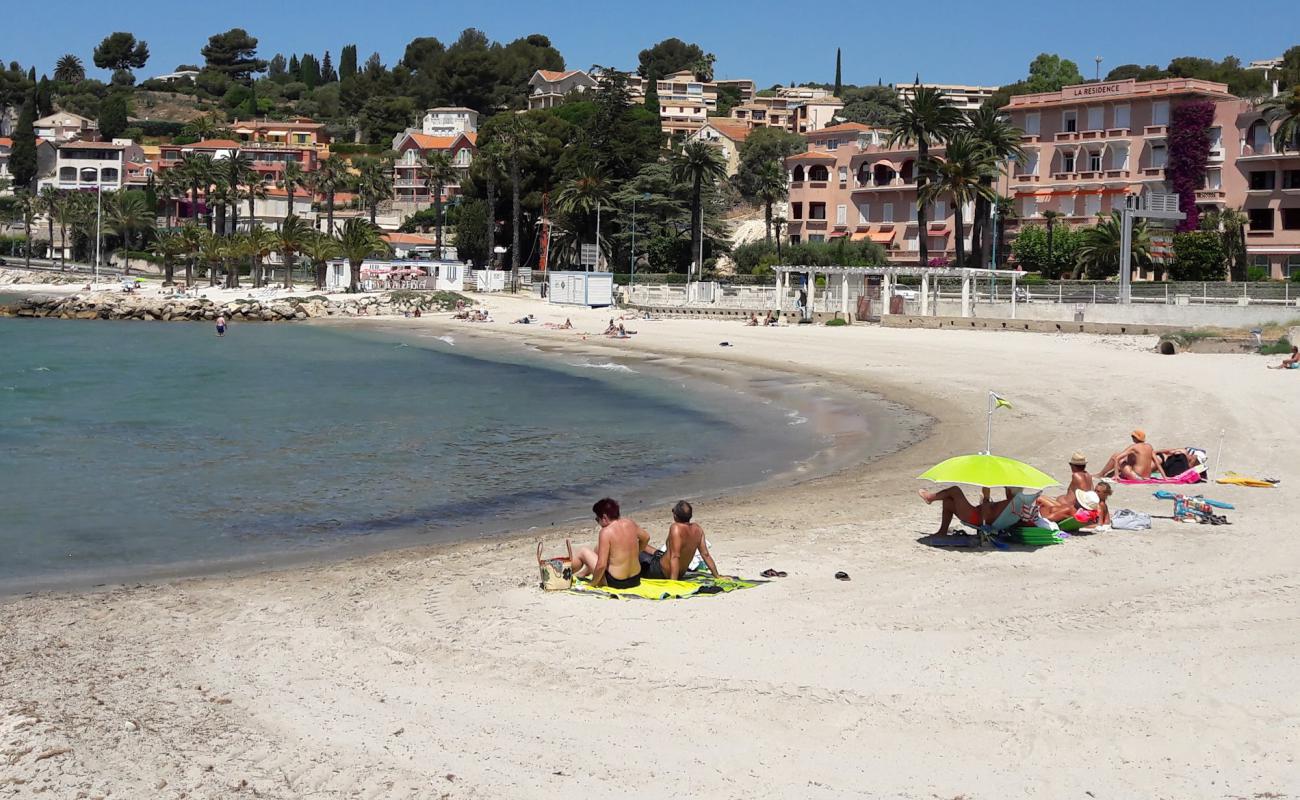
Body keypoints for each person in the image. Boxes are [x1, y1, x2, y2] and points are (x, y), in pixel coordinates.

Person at [572, 498, 651, 589]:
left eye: (598, 519)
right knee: (598, 549)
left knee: (583, 551)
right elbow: (646, 538)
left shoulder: (606, 532)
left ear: (604, 518)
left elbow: (601, 565)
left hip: (616, 583)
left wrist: (592, 584)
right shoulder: (630, 523)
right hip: (635, 580)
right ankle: (583, 573)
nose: (598, 522)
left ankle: (566, 573)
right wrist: (636, 553)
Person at [639, 501, 719, 581]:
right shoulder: (697, 529)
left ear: (675, 516)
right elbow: (705, 555)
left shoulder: (676, 528)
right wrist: (717, 576)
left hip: (661, 571)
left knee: (633, 547)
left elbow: (675, 556)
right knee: (644, 546)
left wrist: (673, 581)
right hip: (671, 566)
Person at [918, 486, 1017, 536]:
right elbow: (993, 514)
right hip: (975, 515)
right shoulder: (1011, 505)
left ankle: (930, 498)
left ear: (1009, 491)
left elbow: (987, 516)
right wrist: (985, 499)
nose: (1005, 489)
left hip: (975, 517)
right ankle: (942, 531)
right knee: (948, 502)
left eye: (1006, 488)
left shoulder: (1008, 504)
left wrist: (986, 499)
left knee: (955, 490)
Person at [1036, 452, 1094, 519]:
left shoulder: (1076, 476)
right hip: (1072, 506)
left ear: (1072, 465)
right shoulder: (1088, 475)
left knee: (1040, 499)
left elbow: (1083, 494)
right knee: (1050, 499)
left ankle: (1038, 519)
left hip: (1069, 508)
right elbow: (1090, 492)